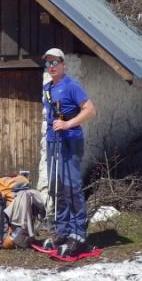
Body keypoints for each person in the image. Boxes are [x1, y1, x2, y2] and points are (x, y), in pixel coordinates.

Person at [41, 47, 96, 257]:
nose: (51, 66)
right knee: (57, 187)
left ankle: (78, 235)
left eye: (55, 62)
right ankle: (62, 232)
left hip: (70, 141)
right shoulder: (47, 89)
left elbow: (90, 110)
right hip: (53, 141)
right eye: (48, 63)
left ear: (64, 64)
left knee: (72, 187)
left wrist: (68, 125)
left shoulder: (72, 86)